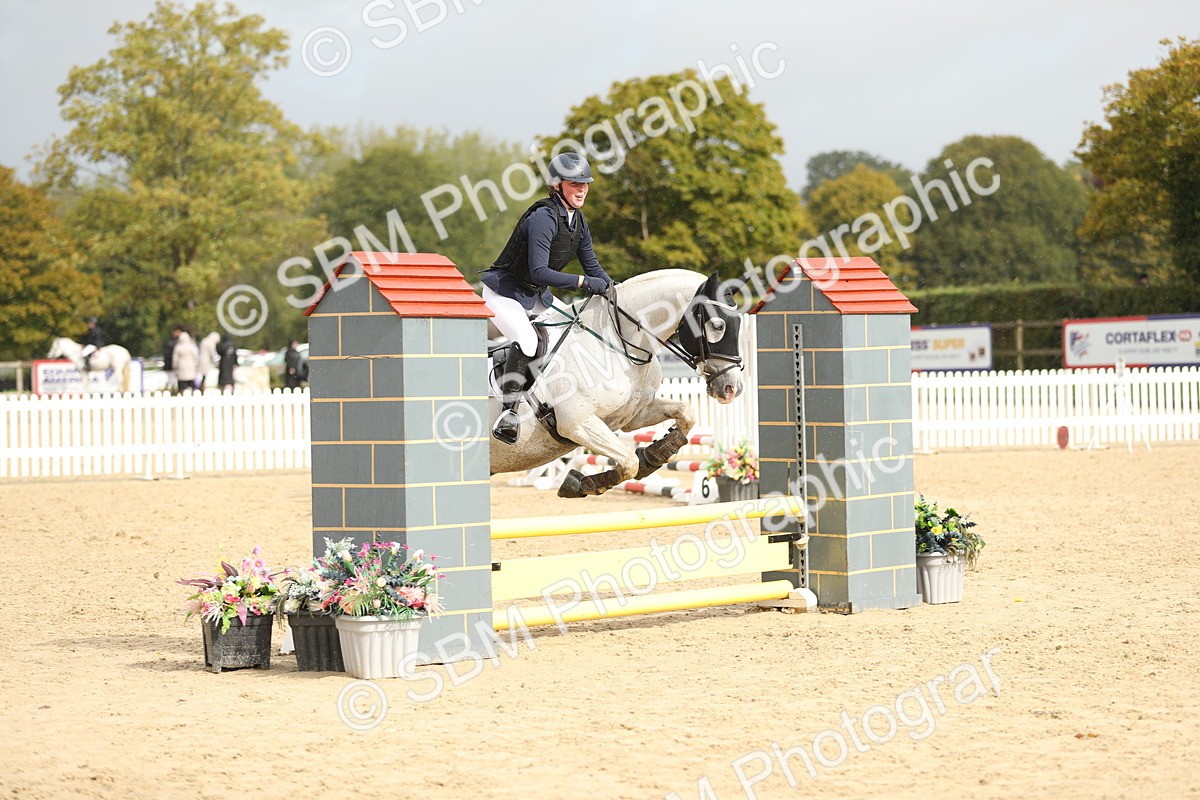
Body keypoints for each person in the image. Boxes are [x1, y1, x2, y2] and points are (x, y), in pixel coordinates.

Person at [479, 152, 614, 444]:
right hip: (504, 292)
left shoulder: (578, 221)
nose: (582, 190)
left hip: (534, 295)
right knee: (528, 341)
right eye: (574, 184)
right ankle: (508, 413)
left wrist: (612, 288)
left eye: (585, 184)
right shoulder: (542, 217)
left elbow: (592, 266)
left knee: (574, 329)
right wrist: (584, 282)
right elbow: (540, 271)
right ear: (557, 185)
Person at [171, 326, 200, 394]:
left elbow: (175, 359)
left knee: (182, 385)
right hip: (191, 366)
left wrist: (175, 366)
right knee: (191, 384)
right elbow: (196, 356)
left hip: (181, 367)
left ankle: (182, 392)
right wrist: (196, 365)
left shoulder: (178, 347)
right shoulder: (192, 346)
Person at [162, 327, 179, 393]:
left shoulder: (173, 343)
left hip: (171, 364)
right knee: (171, 379)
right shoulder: (172, 343)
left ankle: (170, 390)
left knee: (171, 380)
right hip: (170, 365)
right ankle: (172, 390)